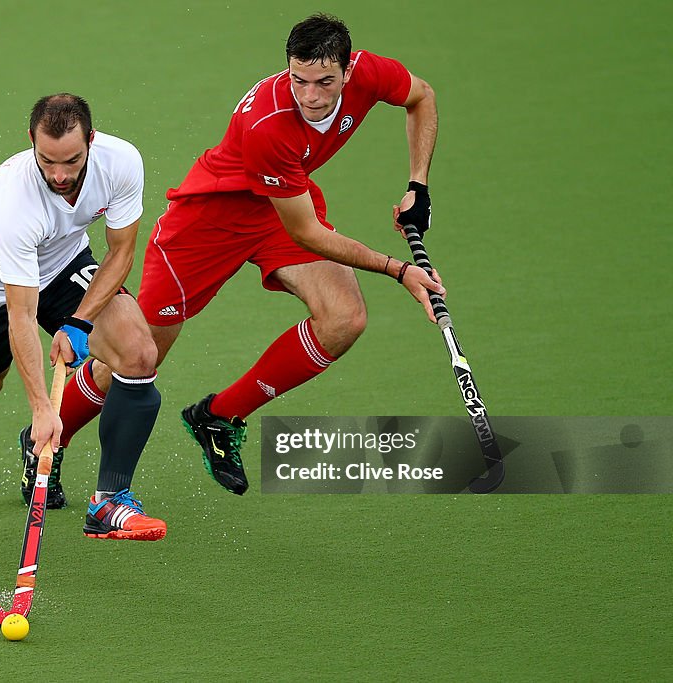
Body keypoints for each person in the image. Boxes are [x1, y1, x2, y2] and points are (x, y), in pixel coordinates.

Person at [31, 14, 446, 496]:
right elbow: (308, 234)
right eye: (298, 80)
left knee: (344, 318)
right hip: (207, 223)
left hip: (278, 209)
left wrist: (419, 186)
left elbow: (422, 97)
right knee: (135, 357)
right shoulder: (270, 126)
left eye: (324, 82)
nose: (310, 95)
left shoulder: (372, 73)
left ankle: (218, 417)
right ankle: (46, 441)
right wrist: (399, 270)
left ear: (350, 71)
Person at [0, 93, 166, 541]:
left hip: (63, 264)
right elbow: (21, 313)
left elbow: (121, 253)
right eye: (47, 162)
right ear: (31, 143)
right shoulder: (15, 201)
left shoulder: (121, 163)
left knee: (138, 354)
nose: (59, 175)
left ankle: (110, 503)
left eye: (72, 161)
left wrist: (78, 323)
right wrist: (42, 410)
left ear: (92, 141)